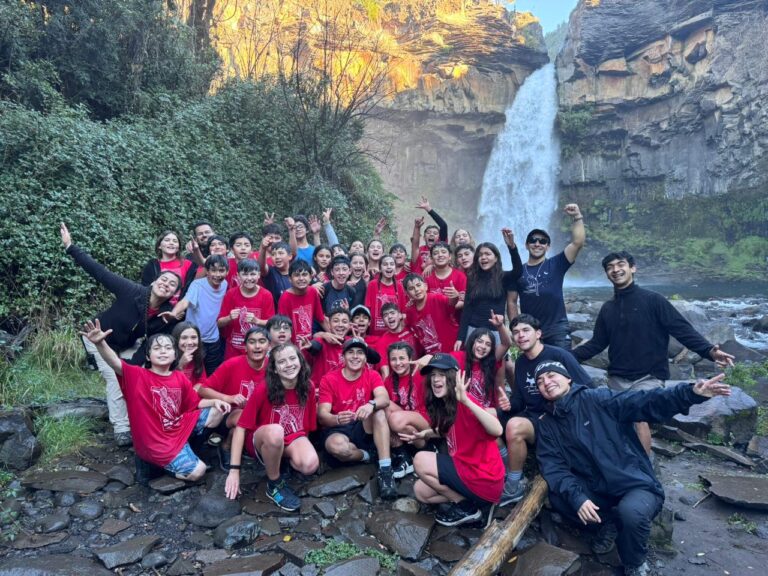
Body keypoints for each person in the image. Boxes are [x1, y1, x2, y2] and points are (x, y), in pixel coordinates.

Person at [533, 360, 731, 576]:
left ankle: (634, 564)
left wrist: (690, 393)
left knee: (631, 513)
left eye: (552, 375)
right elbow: (555, 468)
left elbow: (645, 401)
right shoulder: (547, 424)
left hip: (633, 483)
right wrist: (578, 497)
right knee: (561, 497)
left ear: (568, 378)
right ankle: (606, 525)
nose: (547, 382)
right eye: (540, 381)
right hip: (597, 490)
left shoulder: (598, 399)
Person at [572, 251, 734, 454]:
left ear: (632, 268)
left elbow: (681, 329)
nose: (615, 270)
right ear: (607, 274)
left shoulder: (653, 300)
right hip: (617, 378)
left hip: (648, 376)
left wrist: (710, 351)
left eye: (620, 264)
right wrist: (564, 356)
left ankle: (644, 472)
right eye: (610, 267)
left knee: (638, 417)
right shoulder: (608, 309)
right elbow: (597, 344)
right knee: (615, 423)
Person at [61, 222, 181, 447]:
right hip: (98, 338)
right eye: (164, 280)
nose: (166, 284)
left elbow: (152, 344)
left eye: (172, 285)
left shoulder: (164, 315)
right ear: (154, 282)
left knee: (139, 374)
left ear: (174, 294)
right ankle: (122, 427)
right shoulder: (132, 291)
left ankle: (144, 419)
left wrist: (134, 364)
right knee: (116, 379)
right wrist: (70, 247)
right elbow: (100, 273)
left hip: (127, 344)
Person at [81, 320, 230, 481]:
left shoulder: (179, 377)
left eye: (168, 348)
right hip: (154, 441)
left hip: (176, 428)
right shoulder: (137, 375)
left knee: (217, 412)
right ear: (148, 356)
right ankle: (161, 466)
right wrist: (100, 343)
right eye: (157, 348)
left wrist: (215, 402)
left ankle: (186, 451)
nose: (163, 352)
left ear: (175, 355)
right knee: (198, 471)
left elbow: (195, 403)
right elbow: (114, 362)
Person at [500, 314, 593, 505]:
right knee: (490, 416)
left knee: (514, 426)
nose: (521, 336)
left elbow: (587, 387)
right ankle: (504, 464)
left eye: (526, 330)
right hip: (534, 416)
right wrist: (509, 404)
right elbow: (519, 399)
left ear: (538, 333)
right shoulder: (522, 364)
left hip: (557, 419)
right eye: (516, 332)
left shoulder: (559, 355)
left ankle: (513, 484)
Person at [403, 354, 504, 527]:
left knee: (420, 460)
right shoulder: (444, 405)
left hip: (484, 477)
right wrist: (424, 434)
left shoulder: (464, 402)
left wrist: (467, 401)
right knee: (421, 492)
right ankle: (476, 505)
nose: (436, 379)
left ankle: (465, 507)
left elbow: (497, 429)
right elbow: (445, 430)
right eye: (433, 375)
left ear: (453, 378)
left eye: (441, 374)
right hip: (466, 472)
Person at [224, 343, 319, 511]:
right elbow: (241, 427)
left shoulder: (308, 387)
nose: (289, 364)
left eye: (292, 358)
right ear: (275, 369)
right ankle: (274, 484)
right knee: (276, 432)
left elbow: (307, 427)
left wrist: (303, 449)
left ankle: (280, 461)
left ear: (300, 361)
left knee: (310, 465)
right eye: (282, 362)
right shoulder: (264, 389)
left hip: (291, 437)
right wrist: (234, 471)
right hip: (263, 439)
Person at [318, 338, 397, 499]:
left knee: (380, 412)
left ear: (365, 358)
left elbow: (384, 398)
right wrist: (337, 419)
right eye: (351, 352)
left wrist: (370, 404)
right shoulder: (329, 379)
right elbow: (322, 416)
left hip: (362, 424)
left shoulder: (372, 374)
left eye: (360, 353)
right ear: (343, 357)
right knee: (338, 448)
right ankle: (367, 455)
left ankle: (385, 470)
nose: (355, 356)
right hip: (338, 427)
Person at [509, 204, 586, 349]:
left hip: (557, 329)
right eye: (533, 240)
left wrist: (577, 217)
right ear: (526, 245)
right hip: (530, 330)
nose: (537, 243)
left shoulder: (557, 264)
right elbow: (512, 302)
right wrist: (515, 329)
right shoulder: (518, 271)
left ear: (548, 247)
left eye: (543, 241)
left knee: (561, 367)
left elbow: (578, 242)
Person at [198, 327, 271, 469]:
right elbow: (203, 390)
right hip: (230, 415)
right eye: (252, 342)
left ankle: (244, 445)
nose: (257, 346)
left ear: (268, 346)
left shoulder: (273, 366)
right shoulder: (232, 364)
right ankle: (227, 446)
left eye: (262, 341)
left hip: (261, 417)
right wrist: (228, 398)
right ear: (245, 347)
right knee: (244, 415)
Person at [456, 232, 522, 348]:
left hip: (495, 331)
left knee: (496, 365)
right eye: (480, 255)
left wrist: (512, 247)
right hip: (473, 330)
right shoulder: (472, 278)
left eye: (488, 254)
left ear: (496, 258)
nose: (483, 257)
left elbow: (518, 271)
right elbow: (467, 308)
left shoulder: (504, 277)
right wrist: (460, 338)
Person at [166, 254, 229, 376]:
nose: (217, 274)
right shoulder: (198, 285)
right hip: (194, 340)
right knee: (191, 373)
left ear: (227, 271)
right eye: (213, 270)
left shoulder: (225, 284)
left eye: (221, 270)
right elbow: (185, 301)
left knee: (212, 373)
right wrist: (173, 313)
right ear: (207, 271)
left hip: (213, 339)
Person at [383, 342, 429, 477]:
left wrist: (429, 358)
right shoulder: (388, 381)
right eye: (393, 359)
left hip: (424, 418)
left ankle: (427, 447)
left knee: (395, 418)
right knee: (383, 408)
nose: (398, 363)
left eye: (402, 358)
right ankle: (403, 455)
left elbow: (446, 364)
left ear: (410, 358)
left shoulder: (421, 372)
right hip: (403, 422)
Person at [217, 259, 275, 360]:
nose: (249, 278)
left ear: (259, 275)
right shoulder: (231, 294)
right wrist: (229, 318)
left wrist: (257, 321)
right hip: (234, 348)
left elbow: (271, 323)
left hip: (258, 348)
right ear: (238, 276)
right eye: (245, 274)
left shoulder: (266, 295)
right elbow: (219, 323)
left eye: (253, 274)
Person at [404, 273, 460, 354]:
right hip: (432, 355)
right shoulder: (409, 311)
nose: (416, 289)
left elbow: (451, 303)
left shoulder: (437, 298)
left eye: (418, 285)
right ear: (407, 293)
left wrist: (455, 297)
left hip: (452, 349)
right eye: (411, 288)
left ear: (426, 286)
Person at [141, 230, 197, 304]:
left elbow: (192, 289)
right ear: (159, 246)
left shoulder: (188, 264)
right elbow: (145, 287)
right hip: (155, 307)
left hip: (180, 308)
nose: (171, 243)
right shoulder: (152, 265)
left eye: (175, 241)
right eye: (167, 240)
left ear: (178, 247)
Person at [277, 259, 325, 345]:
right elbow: (283, 328)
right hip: (292, 346)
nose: (301, 278)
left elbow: (321, 318)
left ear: (310, 277)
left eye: (304, 274)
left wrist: (333, 335)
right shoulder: (285, 298)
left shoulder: (313, 292)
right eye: (297, 275)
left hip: (309, 345)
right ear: (290, 279)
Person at [373, 302, 420, 377]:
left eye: (392, 313)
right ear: (383, 321)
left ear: (400, 315)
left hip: (420, 373)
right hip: (399, 382)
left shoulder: (411, 327)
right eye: (385, 315)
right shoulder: (382, 342)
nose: (389, 317)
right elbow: (385, 373)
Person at [365, 255, 407, 336]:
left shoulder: (399, 286)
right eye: (385, 264)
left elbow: (403, 313)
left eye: (391, 264)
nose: (388, 267)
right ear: (380, 269)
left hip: (394, 334)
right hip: (375, 334)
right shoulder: (372, 284)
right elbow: (367, 310)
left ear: (395, 268)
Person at [259, 239, 293, 308]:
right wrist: (263, 248)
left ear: (290, 256)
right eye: (273, 254)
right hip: (277, 317)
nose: (277, 257)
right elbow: (261, 267)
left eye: (280, 253)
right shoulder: (270, 272)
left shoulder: (296, 272)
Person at [172, 322, 207, 386]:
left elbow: (202, 381)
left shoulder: (197, 356)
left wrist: (194, 391)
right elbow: (168, 384)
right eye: (184, 338)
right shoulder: (169, 358)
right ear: (176, 340)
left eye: (193, 337)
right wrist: (180, 365)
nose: (190, 342)